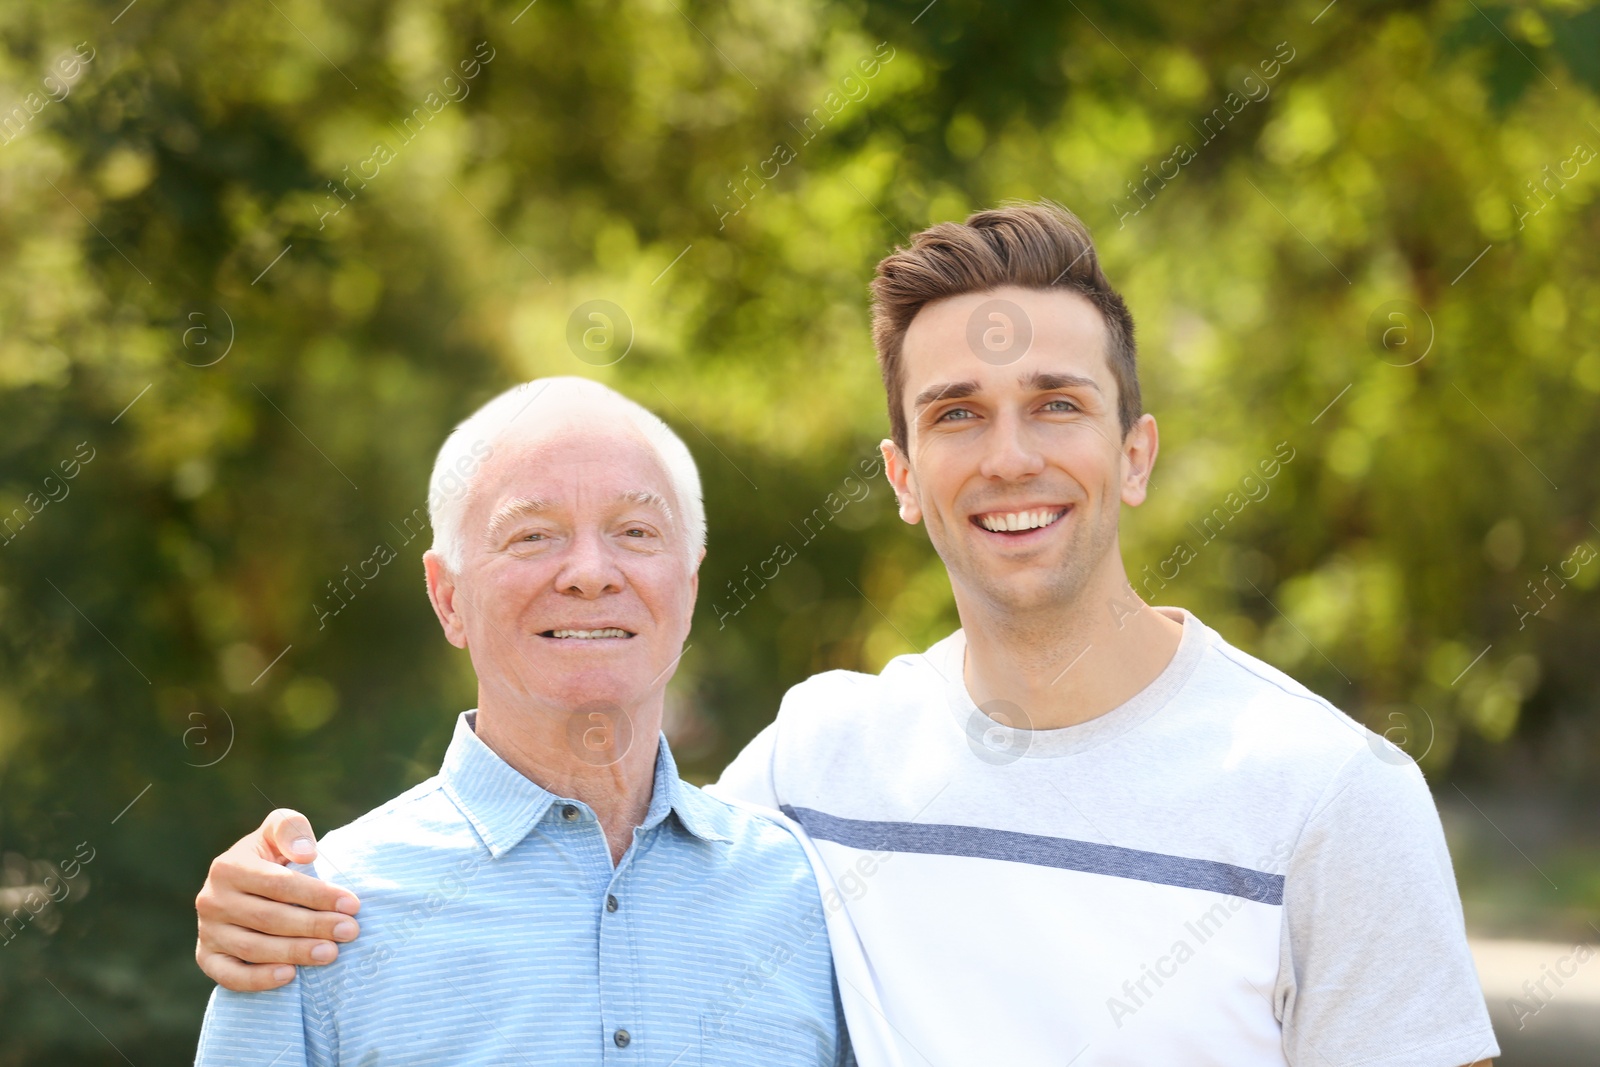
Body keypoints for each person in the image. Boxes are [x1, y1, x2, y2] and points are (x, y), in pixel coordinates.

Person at [195, 203, 1498, 1066]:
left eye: (1056, 401)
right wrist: (260, 894)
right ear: (899, 471)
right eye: (956, 413)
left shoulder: (1334, 798)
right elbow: (618, 835)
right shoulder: (823, 766)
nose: (1010, 456)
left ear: (1135, 450)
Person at [193, 378, 853, 1066]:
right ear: (447, 597)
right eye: (533, 535)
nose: (591, 573)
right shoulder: (309, 920)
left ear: (687, 589)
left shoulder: (812, 899)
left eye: (636, 531)